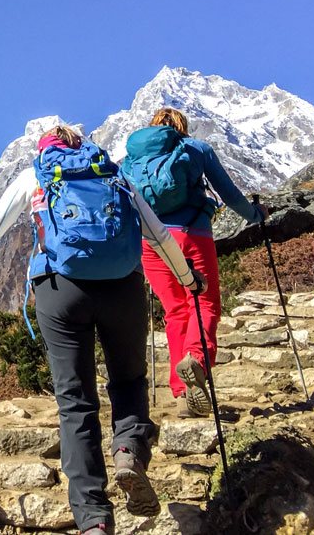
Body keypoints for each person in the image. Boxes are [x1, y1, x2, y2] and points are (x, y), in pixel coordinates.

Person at [0, 124, 205, 535]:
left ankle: (93, 519)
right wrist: (189, 279)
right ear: (83, 144)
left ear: (46, 146)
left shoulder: (38, 175)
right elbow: (157, 232)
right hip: (123, 288)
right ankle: (129, 450)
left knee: (75, 401)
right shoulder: (113, 172)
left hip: (60, 291)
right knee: (129, 380)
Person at [121, 107, 267, 418]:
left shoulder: (131, 160)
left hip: (151, 243)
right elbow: (229, 194)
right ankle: (197, 363)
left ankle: (180, 392)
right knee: (204, 303)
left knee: (175, 312)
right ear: (182, 128)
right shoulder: (196, 149)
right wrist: (257, 215)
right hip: (191, 235)